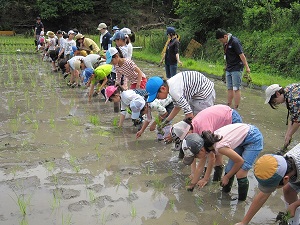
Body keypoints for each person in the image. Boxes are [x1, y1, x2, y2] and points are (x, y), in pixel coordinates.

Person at [182, 123, 263, 201]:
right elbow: (200, 167)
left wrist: (227, 177)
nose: (197, 159)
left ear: (201, 150)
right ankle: (225, 195)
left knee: (240, 173)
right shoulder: (206, 144)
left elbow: (239, 161)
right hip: (242, 139)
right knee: (228, 169)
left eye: (196, 157)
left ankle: (241, 203)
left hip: (253, 138)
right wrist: (192, 186)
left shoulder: (219, 147)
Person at [167, 104, 243, 187]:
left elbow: (211, 157)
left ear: (188, 133)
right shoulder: (191, 128)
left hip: (230, 117)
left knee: (216, 152)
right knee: (212, 152)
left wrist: (205, 179)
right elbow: (193, 151)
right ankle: (215, 180)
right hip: (219, 116)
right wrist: (193, 173)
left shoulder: (204, 129)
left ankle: (217, 181)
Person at [235, 144, 300, 225]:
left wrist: (295, 205)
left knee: (292, 200)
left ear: (286, 178)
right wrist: (244, 222)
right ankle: (294, 222)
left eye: (274, 187)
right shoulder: (279, 164)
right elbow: (263, 196)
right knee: (288, 190)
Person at [146, 72, 215, 122]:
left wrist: (180, 134)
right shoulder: (170, 86)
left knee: (201, 120)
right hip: (195, 93)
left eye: (157, 96)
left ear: (163, 89)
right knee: (192, 119)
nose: (157, 99)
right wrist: (165, 123)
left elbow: (189, 115)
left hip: (205, 94)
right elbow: (177, 107)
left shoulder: (174, 91)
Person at [216, 28, 250, 110]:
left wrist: (247, 67)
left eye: (221, 40)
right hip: (229, 68)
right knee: (229, 88)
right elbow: (227, 56)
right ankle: (228, 106)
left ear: (225, 36)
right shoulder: (225, 43)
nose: (221, 42)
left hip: (237, 68)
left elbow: (241, 55)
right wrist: (226, 66)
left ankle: (236, 108)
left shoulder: (235, 42)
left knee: (236, 88)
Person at [264, 83, 300, 153]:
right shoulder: (288, 90)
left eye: (274, 101)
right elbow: (293, 116)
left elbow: (297, 121)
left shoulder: (294, 100)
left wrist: (289, 135)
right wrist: (288, 134)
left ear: (277, 94)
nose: (276, 103)